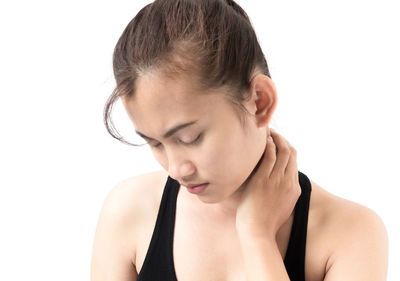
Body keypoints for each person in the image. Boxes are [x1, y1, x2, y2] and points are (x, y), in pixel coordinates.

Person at [91, 0, 388, 280]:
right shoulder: (128, 211)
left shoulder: (351, 234)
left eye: (190, 137)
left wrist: (257, 236)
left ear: (260, 101)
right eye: (155, 143)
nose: (176, 168)